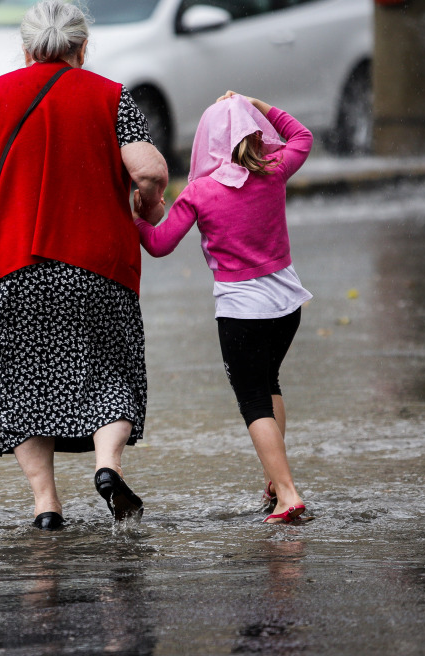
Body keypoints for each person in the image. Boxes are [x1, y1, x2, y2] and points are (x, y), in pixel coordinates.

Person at [0, 0, 169, 530]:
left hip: (12, 267)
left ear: (24, 49)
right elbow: (148, 168)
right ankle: (107, 466)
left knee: (22, 385)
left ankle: (46, 505)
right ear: (82, 47)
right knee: (108, 373)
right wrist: (148, 201)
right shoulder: (112, 97)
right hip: (97, 267)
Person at [135, 91, 312, 524]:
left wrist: (136, 215)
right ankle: (275, 479)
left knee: (253, 401)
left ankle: (288, 493)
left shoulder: (200, 193)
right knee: (269, 384)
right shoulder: (273, 171)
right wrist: (258, 102)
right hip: (287, 305)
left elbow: (159, 244)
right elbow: (302, 136)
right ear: (254, 132)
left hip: (242, 312)